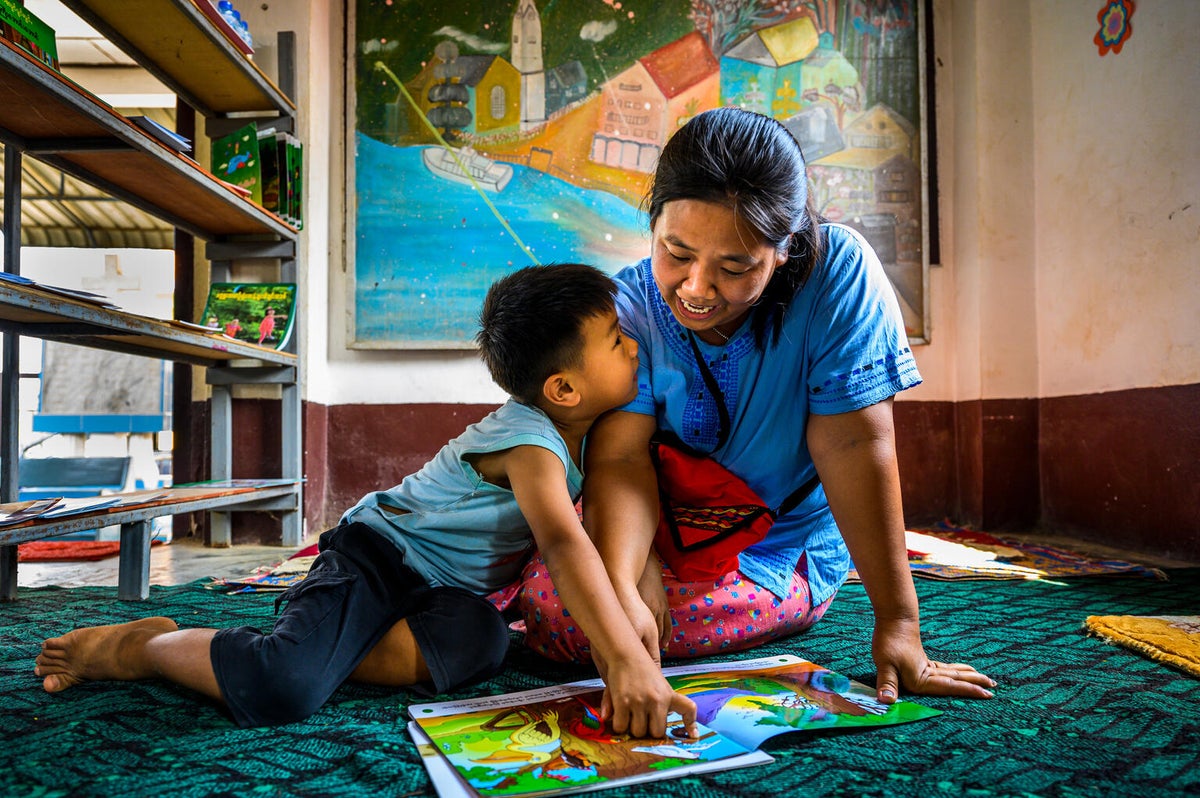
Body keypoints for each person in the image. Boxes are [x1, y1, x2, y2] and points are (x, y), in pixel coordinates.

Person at [35, 263, 698, 736]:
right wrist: (623, 661)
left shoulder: (601, 431)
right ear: (563, 389)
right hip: (377, 556)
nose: (634, 346)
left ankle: (324, 635)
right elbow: (561, 542)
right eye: (617, 341)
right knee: (283, 688)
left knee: (488, 641)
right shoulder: (529, 441)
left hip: (444, 595)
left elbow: (615, 516)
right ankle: (148, 646)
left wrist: (639, 582)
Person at [519, 108, 995, 705]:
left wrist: (898, 623)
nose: (695, 288)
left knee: (561, 621)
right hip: (654, 522)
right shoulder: (631, 301)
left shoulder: (838, 276)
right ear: (653, 223)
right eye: (676, 252)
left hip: (771, 545)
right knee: (558, 600)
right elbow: (620, 463)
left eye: (735, 267)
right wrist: (624, 585)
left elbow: (854, 446)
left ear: (785, 250)